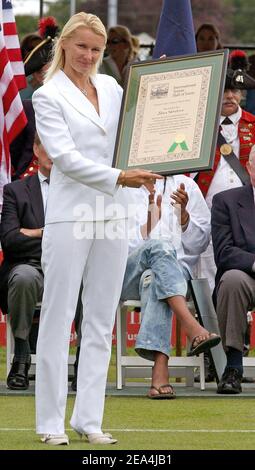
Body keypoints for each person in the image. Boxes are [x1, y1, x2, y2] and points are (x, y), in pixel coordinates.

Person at [32, 12, 162, 446]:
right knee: (58, 317)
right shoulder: (47, 96)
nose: (88, 55)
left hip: (114, 215)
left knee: (101, 320)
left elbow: (137, 133)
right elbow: (65, 159)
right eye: (82, 46)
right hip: (71, 216)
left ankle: (88, 419)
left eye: (95, 49)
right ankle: (50, 423)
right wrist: (120, 176)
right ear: (64, 45)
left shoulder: (111, 87)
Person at [121, 175, 221, 398]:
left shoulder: (186, 186)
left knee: (154, 279)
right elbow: (113, 244)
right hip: (128, 275)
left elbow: (200, 244)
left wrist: (185, 218)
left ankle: (160, 369)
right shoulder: (123, 186)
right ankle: (190, 325)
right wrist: (148, 225)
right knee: (159, 247)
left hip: (175, 274)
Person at [0, 133, 52, 390]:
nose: (53, 153)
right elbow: (10, 240)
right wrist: (51, 234)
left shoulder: (79, 190)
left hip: (69, 266)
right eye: (48, 146)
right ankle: (21, 354)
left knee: (88, 281)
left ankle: (82, 365)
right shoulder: (15, 190)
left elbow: (84, 234)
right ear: (36, 149)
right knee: (23, 277)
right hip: (30, 266)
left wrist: (32, 232)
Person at [211, 144, 255, 394]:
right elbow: (224, 253)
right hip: (246, 277)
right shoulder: (225, 201)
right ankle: (233, 367)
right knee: (232, 280)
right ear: (250, 168)